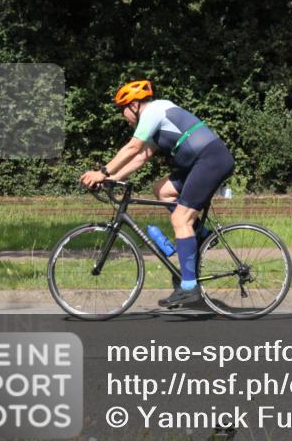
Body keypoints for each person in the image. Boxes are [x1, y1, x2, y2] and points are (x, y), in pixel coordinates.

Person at [80, 80, 235, 308]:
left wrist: (102, 172)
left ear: (133, 105)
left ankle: (190, 288)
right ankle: (200, 235)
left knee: (179, 218)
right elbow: (141, 157)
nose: (123, 116)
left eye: (122, 110)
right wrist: (113, 179)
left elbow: (133, 147)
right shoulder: (156, 118)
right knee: (162, 190)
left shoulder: (153, 110)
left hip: (210, 160)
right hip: (201, 162)